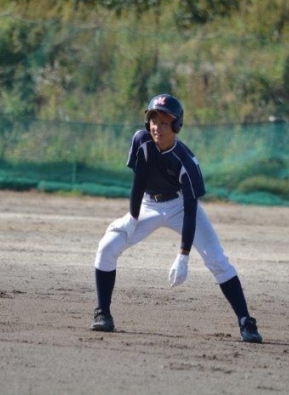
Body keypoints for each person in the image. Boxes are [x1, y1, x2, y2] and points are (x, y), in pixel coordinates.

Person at [90, 93, 263, 343]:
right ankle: (103, 314)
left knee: (217, 260)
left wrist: (183, 255)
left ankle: (246, 321)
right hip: (148, 204)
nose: (157, 127)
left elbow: (191, 210)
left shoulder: (186, 162)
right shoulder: (141, 140)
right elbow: (139, 182)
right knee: (107, 246)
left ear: (177, 126)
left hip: (180, 206)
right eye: (153, 120)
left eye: (164, 122)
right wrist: (133, 217)